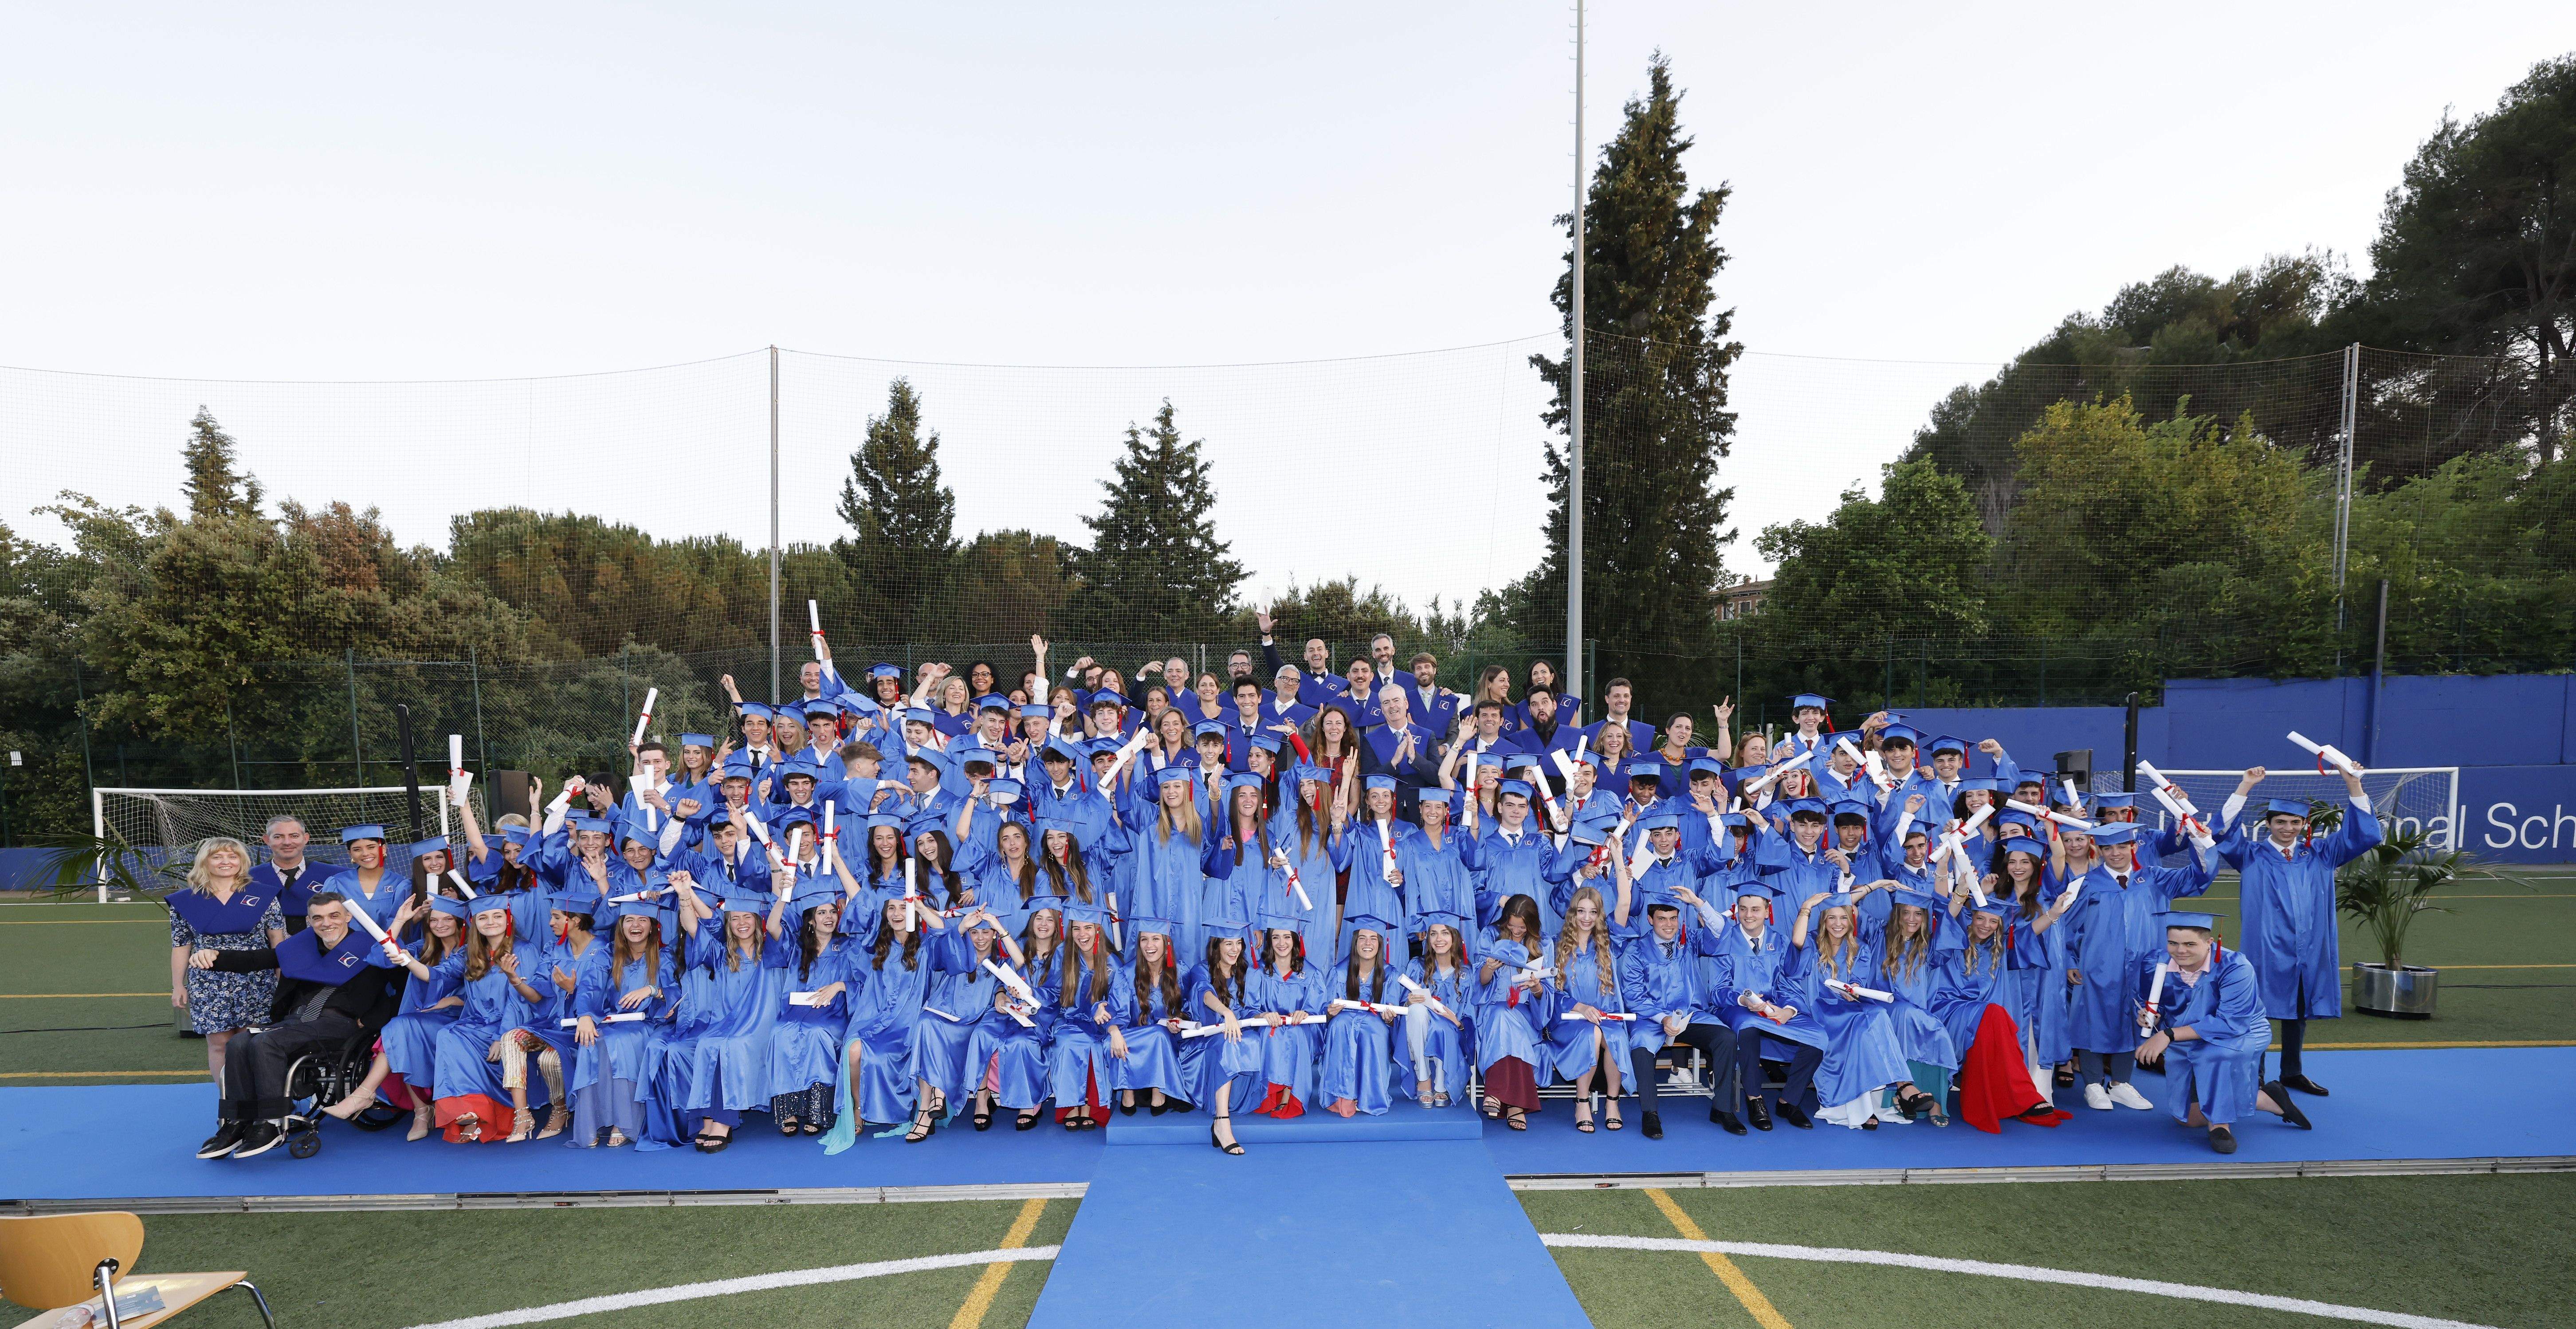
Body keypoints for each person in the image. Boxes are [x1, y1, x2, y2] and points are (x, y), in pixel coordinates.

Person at [193, 891, 408, 1161]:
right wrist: (215, 956)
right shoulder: (300, 947)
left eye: (334, 916)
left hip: (340, 1023)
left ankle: (272, 1121)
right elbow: (254, 961)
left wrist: (376, 1020)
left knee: (265, 1042)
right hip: (296, 1021)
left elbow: (403, 988)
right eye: (318, 918)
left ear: (348, 917)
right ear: (309, 921)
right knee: (239, 1041)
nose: (326, 923)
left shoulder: (372, 948)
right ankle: (237, 1122)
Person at [2216, 764, 2380, 1097]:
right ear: (2269, 825)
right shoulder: (2250, 855)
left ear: (2304, 825)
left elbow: (2364, 835)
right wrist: (2245, 786)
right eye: (2281, 822)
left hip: (2309, 948)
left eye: (2295, 822)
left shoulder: (2320, 854)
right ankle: (2256, 1077)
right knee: (2255, 1011)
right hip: (2264, 949)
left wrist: (2353, 784)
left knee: (2298, 1012)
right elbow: (2221, 832)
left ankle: (2292, 1072)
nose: (2288, 828)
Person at [2060, 822, 2215, 1112]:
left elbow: (2200, 875)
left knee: (2136, 1021)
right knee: (2093, 1020)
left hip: (2144, 967)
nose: (2115, 853)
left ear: (2134, 847)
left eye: (2122, 846)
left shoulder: (2155, 878)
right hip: (2097, 968)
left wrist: (2199, 840)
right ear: (2099, 850)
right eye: (2108, 847)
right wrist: (2070, 960)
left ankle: (2121, 1084)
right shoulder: (2087, 884)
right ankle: (2094, 1084)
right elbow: (2067, 927)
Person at [2136, 911, 2314, 1153]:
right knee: (2187, 1120)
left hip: (2242, 1031)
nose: (2180, 951)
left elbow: (2231, 1023)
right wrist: (2155, 1018)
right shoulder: (2156, 964)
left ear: (2209, 943)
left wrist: (2168, 1035)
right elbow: (2156, 1004)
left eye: (2190, 944)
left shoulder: (2235, 967)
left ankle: (2220, 1126)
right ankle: (2269, 1099)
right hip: (2187, 1034)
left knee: (2212, 1056)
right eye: (2173, 943)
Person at [167, 836, 285, 1083]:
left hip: (255, 977)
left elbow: (277, 941)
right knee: (219, 1042)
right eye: (217, 856)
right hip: (209, 980)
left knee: (252, 1041)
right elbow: (181, 946)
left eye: (233, 856)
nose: (226, 862)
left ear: (242, 862)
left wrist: (282, 978)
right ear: (205, 862)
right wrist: (179, 985)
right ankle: (229, 1102)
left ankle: (259, 1101)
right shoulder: (185, 901)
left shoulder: (263, 896)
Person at [1545, 885, 1633, 1133]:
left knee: (1616, 1036)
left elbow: (1625, 904)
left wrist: (1617, 856)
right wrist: (1581, 1008)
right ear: (1572, 913)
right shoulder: (1556, 946)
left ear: (1599, 916)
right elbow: (1551, 992)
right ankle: (1582, 1101)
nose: (1586, 918)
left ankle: (1612, 1103)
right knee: (1590, 1034)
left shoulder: (1608, 945)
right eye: (1581, 912)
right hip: (1569, 1019)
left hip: (1605, 1016)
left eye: (1593, 912)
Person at [1319, 913, 1403, 1117]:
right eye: (1362, 938)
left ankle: (1371, 1097)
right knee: (1341, 1025)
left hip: (1375, 1020)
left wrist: (1390, 1018)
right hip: (1345, 1017)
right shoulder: (1339, 972)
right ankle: (1341, 1097)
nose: (1368, 943)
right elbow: (1326, 1007)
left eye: (1373, 938)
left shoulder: (1390, 973)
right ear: (1355, 942)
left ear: (1380, 943)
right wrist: (1330, 1012)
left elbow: (1392, 1012)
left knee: (1376, 1031)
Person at [251, 815, 320, 936]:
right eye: (278, 837)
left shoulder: (332, 876)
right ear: (267, 840)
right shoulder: (249, 878)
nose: (287, 843)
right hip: (267, 950)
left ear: (306, 838)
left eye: (294, 836)